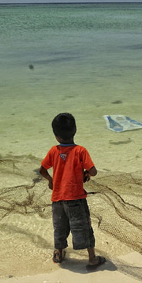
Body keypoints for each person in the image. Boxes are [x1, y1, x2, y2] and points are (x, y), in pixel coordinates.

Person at [39, 113, 104, 270]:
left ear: (55, 135)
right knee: (84, 228)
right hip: (75, 199)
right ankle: (92, 259)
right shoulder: (80, 151)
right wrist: (87, 174)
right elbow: (93, 171)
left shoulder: (54, 151)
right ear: (75, 130)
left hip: (57, 199)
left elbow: (42, 170)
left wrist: (51, 181)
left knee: (60, 228)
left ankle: (59, 255)